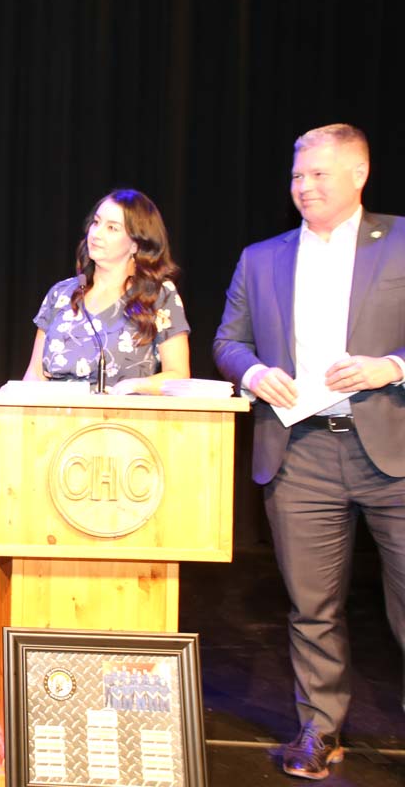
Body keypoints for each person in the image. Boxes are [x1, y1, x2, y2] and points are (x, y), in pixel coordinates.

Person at [214, 123, 405, 780]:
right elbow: (229, 340)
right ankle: (320, 730)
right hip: (300, 454)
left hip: (394, 454)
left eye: (319, 173)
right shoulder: (261, 257)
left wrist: (391, 366)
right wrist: (253, 373)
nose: (304, 186)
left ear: (359, 174)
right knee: (312, 607)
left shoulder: (402, 240)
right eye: (298, 175)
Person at [23, 189, 190, 393]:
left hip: (122, 421)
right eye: (96, 222)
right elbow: (34, 374)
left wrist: (135, 386)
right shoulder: (61, 294)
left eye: (112, 228)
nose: (96, 233)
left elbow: (179, 375)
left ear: (136, 245)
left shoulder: (158, 296)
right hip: (54, 418)